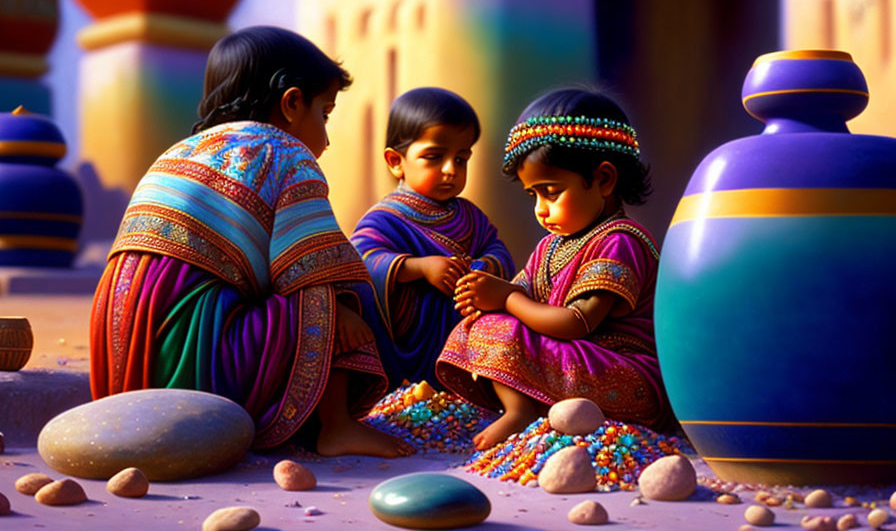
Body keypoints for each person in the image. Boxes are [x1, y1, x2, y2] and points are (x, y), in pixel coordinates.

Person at [90, 25, 414, 458]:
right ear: (292, 102)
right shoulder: (285, 152)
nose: (327, 137)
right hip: (190, 355)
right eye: (326, 113)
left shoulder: (176, 152)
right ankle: (337, 425)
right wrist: (342, 309)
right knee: (340, 290)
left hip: (121, 359)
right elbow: (316, 262)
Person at [436, 86, 672, 450]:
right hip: (572, 363)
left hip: (626, 377)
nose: (540, 209)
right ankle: (521, 407)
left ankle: (524, 412)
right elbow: (518, 297)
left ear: (604, 180)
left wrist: (507, 299)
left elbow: (575, 323)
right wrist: (484, 297)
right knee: (486, 325)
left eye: (551, 191)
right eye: (533, 195)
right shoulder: (550, 246)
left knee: (501, 326)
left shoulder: (622, 239)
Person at [350, 87, 514, 389]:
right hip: (408, 343)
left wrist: (481, 271)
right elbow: (361, 262)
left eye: (461, 159)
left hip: (463, 335)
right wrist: (420, 268)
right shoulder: (385, 218)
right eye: (435, 157)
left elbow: (499, 252)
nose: (451, 170)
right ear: (396, 161)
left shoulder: (470, 216)